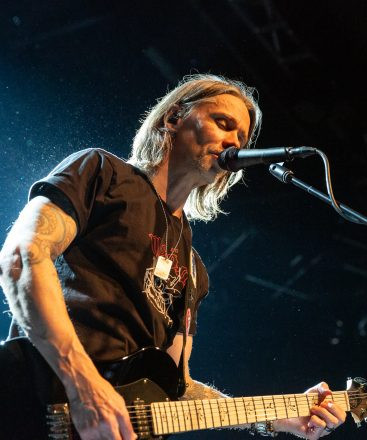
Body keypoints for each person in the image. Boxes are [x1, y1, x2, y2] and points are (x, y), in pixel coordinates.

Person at [0, 74, 346, 439]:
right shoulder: (103, 173)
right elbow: (22, 256)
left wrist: (279, 417)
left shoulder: (194, 270)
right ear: (173, 118)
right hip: (34, 406)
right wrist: (84, 384)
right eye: (223, 123)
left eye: (242, 138)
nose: (234, 141)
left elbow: (178, 390)